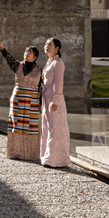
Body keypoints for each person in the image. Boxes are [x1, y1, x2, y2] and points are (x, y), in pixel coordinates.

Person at [0, 38, 43, 161]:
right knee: (16, 125)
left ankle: (31, 154)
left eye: (30, 52)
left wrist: (41, 103)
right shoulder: (18, 65)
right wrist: (2, 47)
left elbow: (41, 87)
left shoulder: (40, 70)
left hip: (32, 100)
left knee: (31, 127)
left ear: (35, 56)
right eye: (26, 51)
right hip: (18, 98)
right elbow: (8, 57)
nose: (27, 53)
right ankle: (16, 153)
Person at [40, 37, 70, 168]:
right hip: (46, 99)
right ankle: (47, 156)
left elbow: (59, 84)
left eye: (50, 44)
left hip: (54, 100)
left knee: (55, 129)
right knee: (47, 127)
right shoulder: (49, 62)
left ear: (57, 48)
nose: (47, 46)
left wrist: (55, 101)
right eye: (46, 44)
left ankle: (56, 159)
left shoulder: (58, 63)